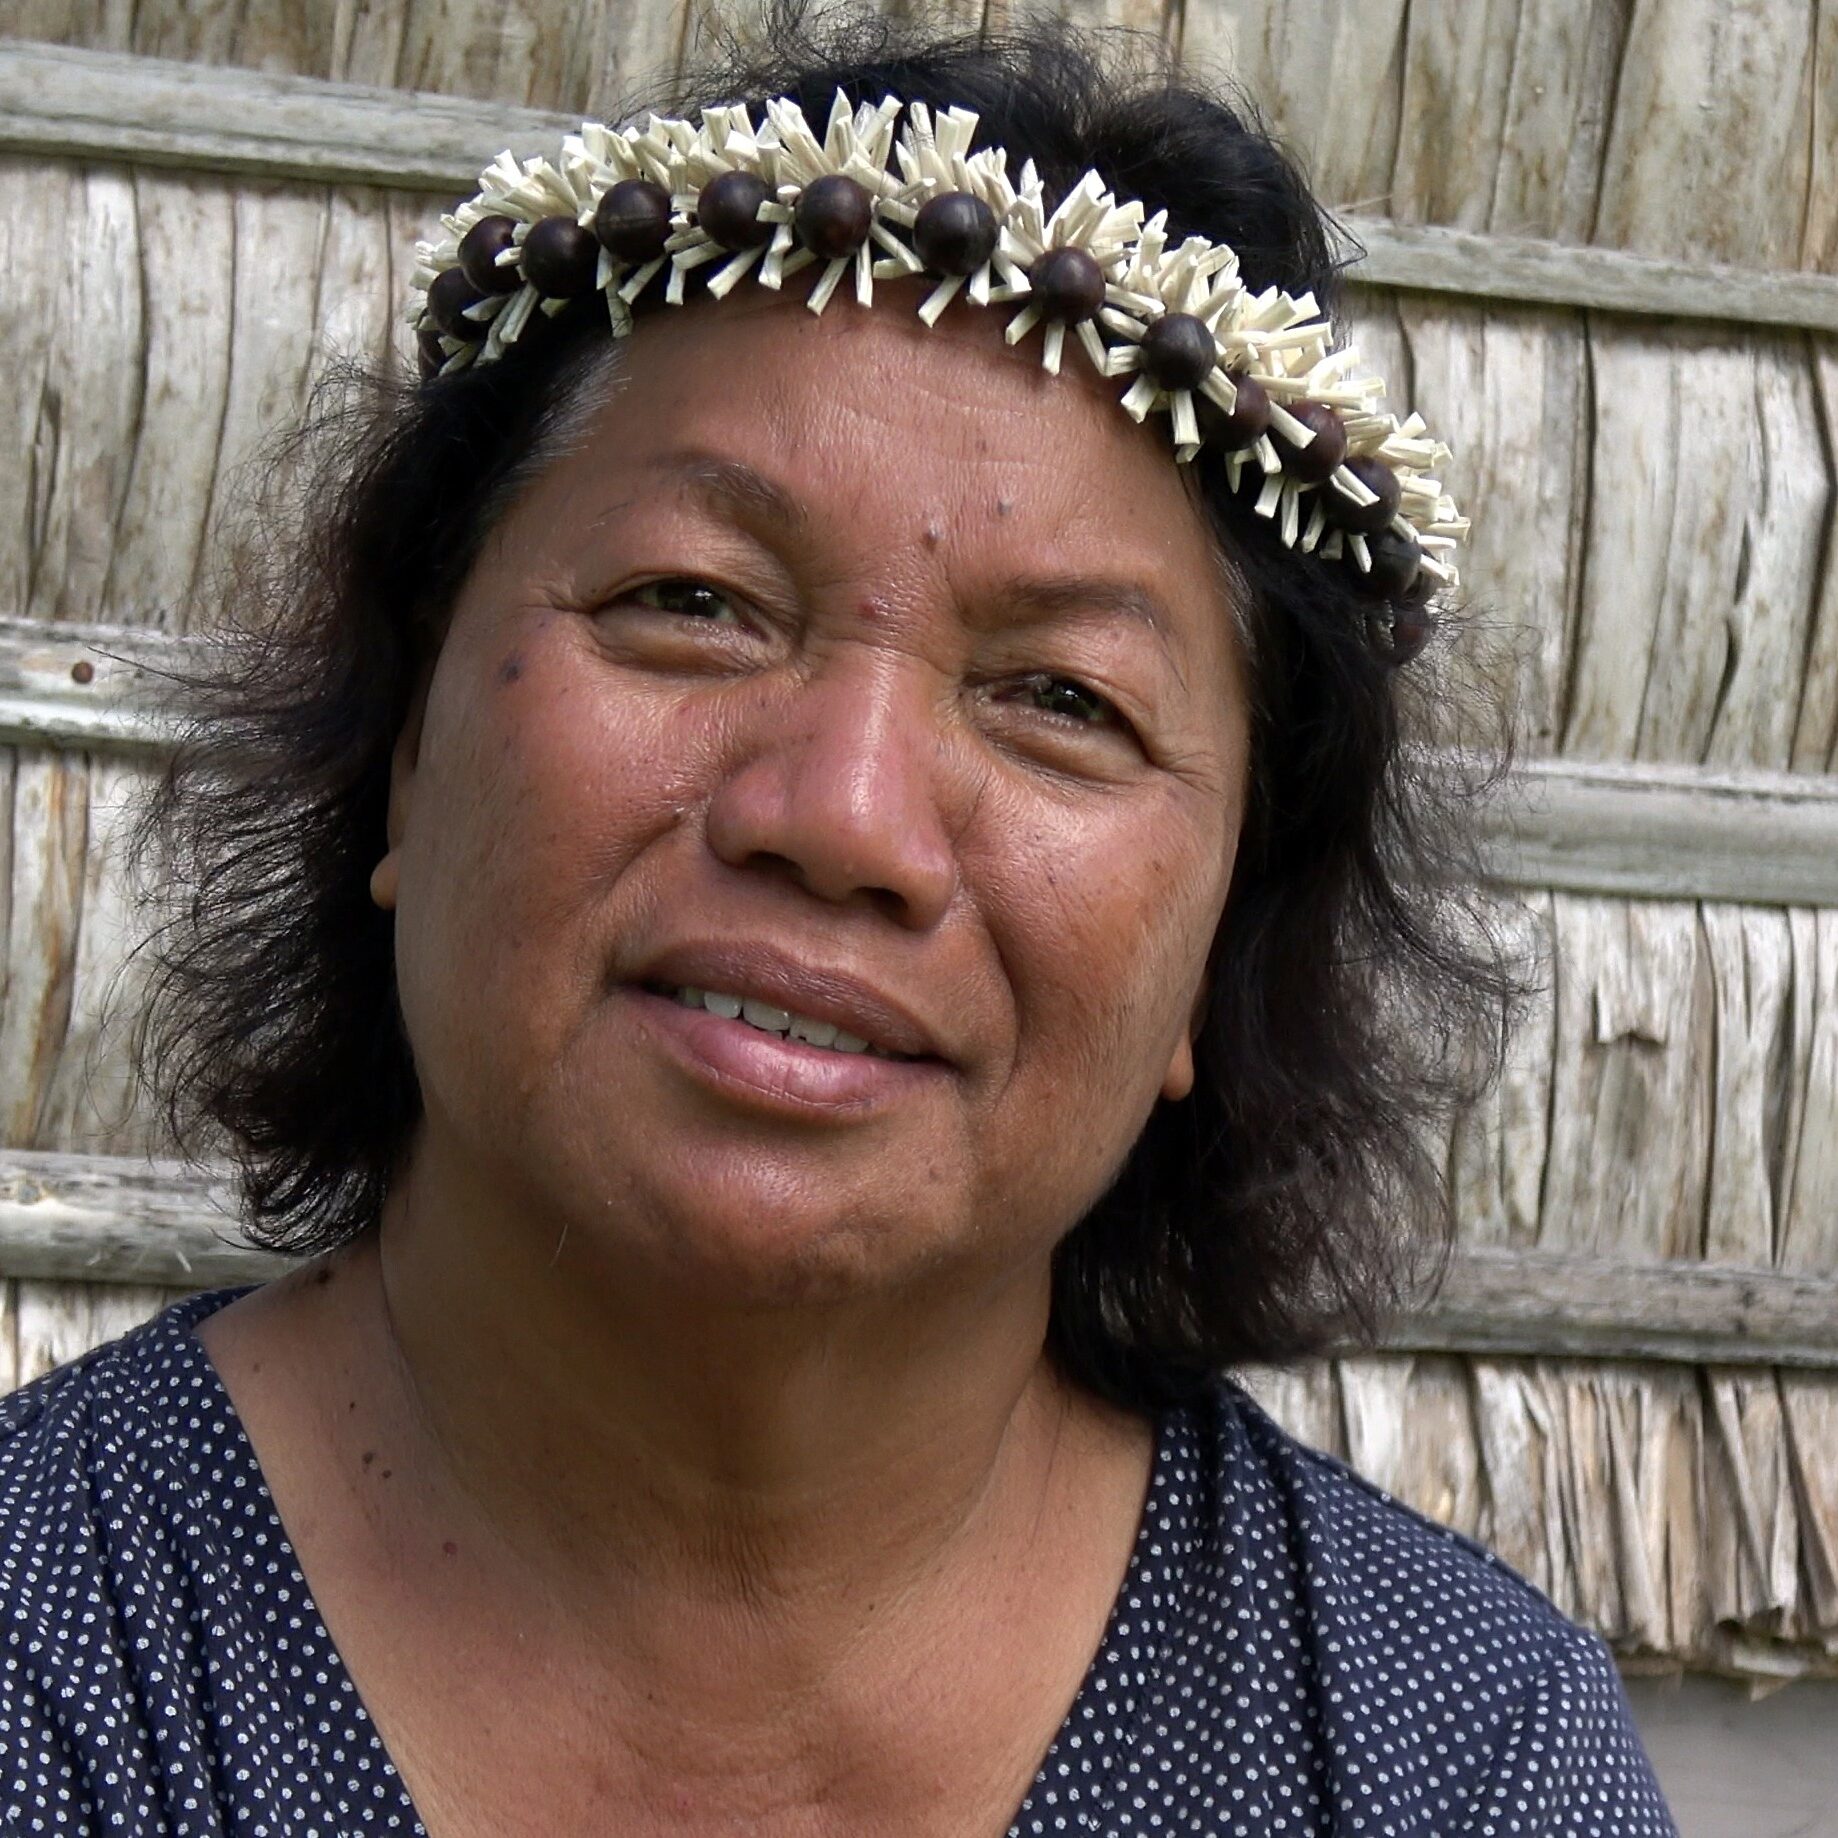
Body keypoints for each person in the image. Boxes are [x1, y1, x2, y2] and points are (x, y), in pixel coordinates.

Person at [0, 9, 1676, 1834]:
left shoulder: (1459, 1759)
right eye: (693, 601)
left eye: (1062, 701)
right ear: (409, 743)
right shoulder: (45, 1637)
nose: (842, 817)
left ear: (1215, 942)